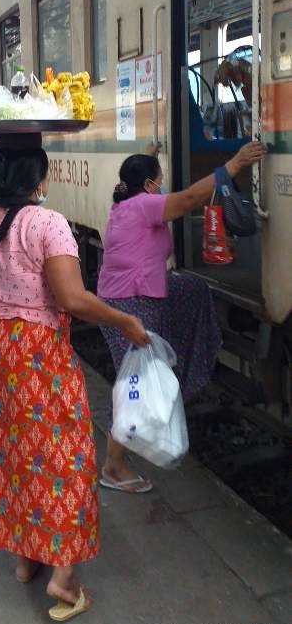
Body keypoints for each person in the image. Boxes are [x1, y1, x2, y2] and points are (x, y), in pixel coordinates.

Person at [0, 145, 148, 622]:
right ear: (39, 181)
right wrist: (124, 322)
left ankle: (25, 558)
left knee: (11, 452)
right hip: (36, 354)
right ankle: (62, 576)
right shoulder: (48, 224)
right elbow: (72, 298)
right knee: (64, 457)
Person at [97, 140, 266, 495]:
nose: (162, 188)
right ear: (147, 187)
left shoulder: (127, 200)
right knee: (136, 387)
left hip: (139, 297)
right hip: (129, 305)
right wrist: (232, 165)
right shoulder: (143, 206)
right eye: (158, 181)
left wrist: (150, 156)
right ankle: (112, 466)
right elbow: (189, 199)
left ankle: (186, 368)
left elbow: (149, 188)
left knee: (194, 290)